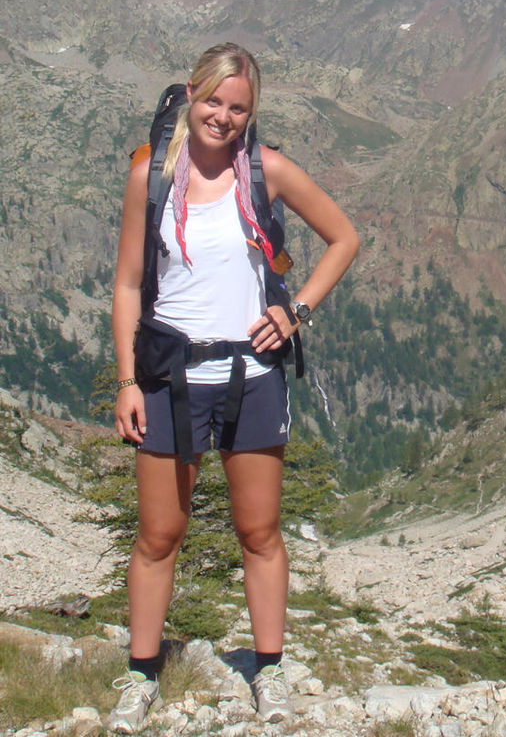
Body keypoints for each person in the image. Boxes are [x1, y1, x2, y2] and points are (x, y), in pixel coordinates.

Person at [110, 43, 359, 731]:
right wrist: (127, 380)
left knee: (260, 531)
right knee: (158, 535)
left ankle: (268, 670)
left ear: (252, 113)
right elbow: (128, 284)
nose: (223, 116)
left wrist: (295, 310)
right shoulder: (149, 175)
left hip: (251, 374)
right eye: (214, 100)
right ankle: (141, 675)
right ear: (190, 93)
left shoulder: (266, 170)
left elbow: (343, 238)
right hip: (169, 376)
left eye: (238, 107)